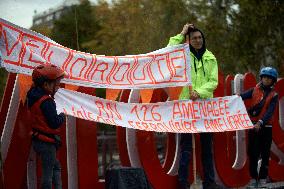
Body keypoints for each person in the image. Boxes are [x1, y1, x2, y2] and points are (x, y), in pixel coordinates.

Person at [168, 23, 220, 189]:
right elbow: (168, 50)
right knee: (186, 148)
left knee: (207, 149)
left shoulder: (210, 57)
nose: (198, 40)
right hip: (186, 108)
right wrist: (182, 33)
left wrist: (199, 92)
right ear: (188, 40)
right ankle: (183, 183)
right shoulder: (181, 54)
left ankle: (209, 183)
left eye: (200, 37)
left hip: (205, 107)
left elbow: (213, 82)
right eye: (194, 38)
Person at [27, 64, 66, 189]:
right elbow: (54, 122)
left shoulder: (33, 94)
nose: (58, 87)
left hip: (39, 140)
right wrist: (62, 116)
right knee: (47, 174)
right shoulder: (47, 102)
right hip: (46, 143)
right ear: (46, 85)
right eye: (56, 84)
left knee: (55, 166)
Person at [240, 67, 278, 188]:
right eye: (265, 77)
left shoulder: (274, 95)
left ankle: (262, 179)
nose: (266, 80)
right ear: (261, 78)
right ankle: (253, 178)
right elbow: (241, 96)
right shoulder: (254, 90)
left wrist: (260, 123)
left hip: (265, 127)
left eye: (269, 78)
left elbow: (269, 112)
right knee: (252, 153)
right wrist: (234, 97)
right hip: (253, 127)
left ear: (273, 81)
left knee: (265, 154)